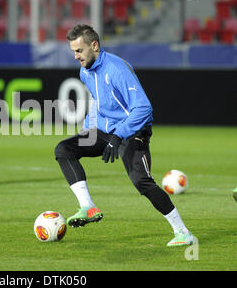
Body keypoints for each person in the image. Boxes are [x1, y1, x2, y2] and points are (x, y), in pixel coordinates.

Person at [54, 24, 195, 247]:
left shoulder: (116, 70)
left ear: (94, 45)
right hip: (105, 131)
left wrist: (118, 135)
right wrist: (87, 128)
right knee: (64, 149)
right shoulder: (85, 71)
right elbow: (98, 102)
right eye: (73, 51)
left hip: (133, 131)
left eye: (79, 50)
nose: (76, 56)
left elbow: (143, 108)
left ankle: (183, 233)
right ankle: (88, 207)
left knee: (142, 182)